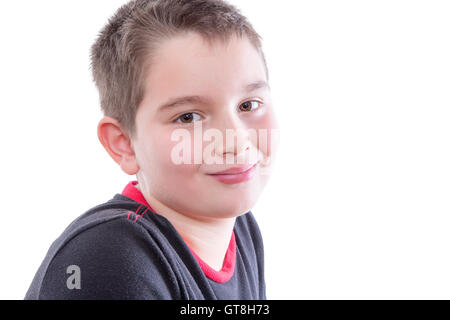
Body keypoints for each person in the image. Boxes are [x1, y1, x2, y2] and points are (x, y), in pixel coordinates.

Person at [25, 0, 279, 300]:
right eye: (188, 117)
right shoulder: (110, 258)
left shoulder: (239, 227)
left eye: (248, 105)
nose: (236, 141)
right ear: (124, 144)